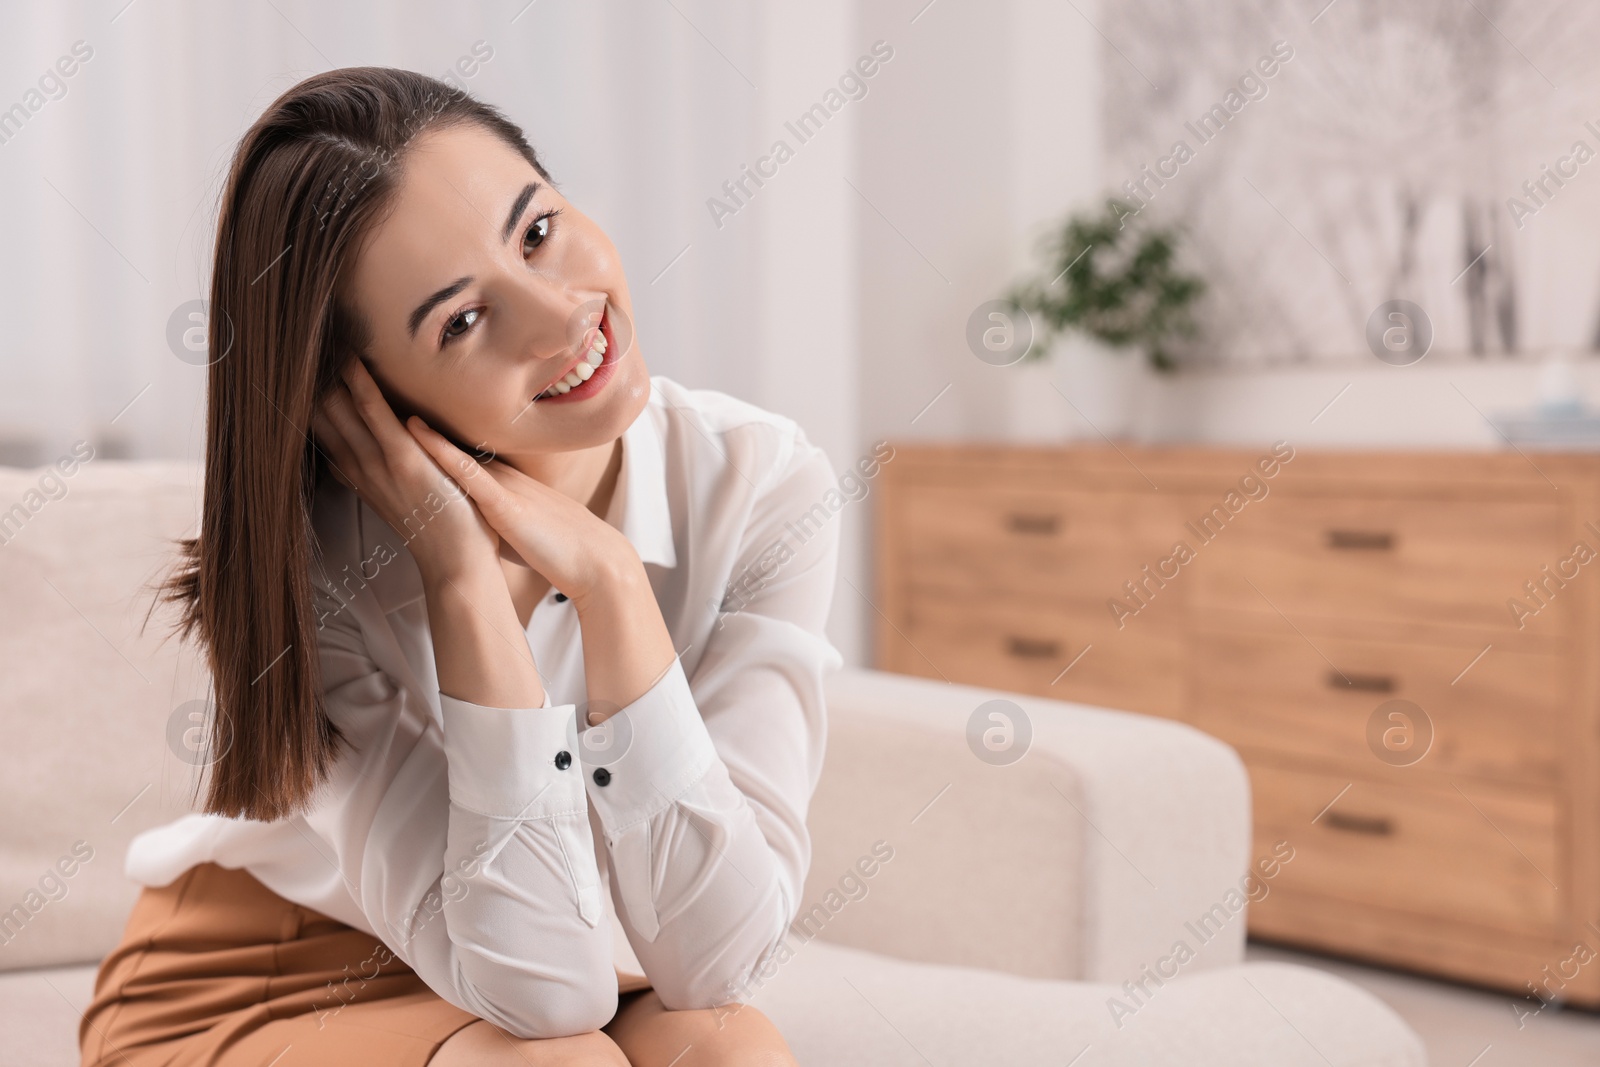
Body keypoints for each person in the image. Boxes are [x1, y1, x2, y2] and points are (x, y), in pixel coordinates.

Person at [79, 66, 843, 1067]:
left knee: (728, 1044)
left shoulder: (762, 484)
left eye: (536, 231)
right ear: (366, 395)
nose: (561, 312)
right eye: (463, 320)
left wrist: (611, 587)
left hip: (542, 958)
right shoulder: (319, 573)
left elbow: (721, 960)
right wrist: (460, 582)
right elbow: (543, 999)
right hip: (249, 979)